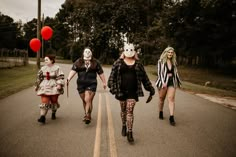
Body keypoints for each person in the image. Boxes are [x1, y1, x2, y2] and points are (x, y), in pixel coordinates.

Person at [108, 43, 155, 143]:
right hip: (121, 92)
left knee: (130, 111)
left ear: (134, 52)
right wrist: (114, 89)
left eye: (131, 50)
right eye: (127, 50)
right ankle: (124, 125)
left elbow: (145, 78)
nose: (129, 52)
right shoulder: (118, 63)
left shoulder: (138, 64)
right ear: (124, 52)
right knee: (123, 110)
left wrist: (151, 89)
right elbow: (111, 78)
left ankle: (130, 132)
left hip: (133, 92)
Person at [66, 47, 107, 124]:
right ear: (83, 53)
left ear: (91, 53)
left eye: (89, 52)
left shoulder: (95, 62)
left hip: (92, 83)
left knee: (87, 99)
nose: (87, 54)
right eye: (86, 52)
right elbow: (73, 71)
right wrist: (68, 79)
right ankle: (88, 114)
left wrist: (104, 82)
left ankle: (87, 115)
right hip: (81, 84)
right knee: (84, 100)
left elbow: (100, 73)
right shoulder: (79, 62)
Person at [35, 55, 65, 124]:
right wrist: (37, 85)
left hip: (54, 85)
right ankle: (42, 117)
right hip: (44, 86)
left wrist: (59, 84)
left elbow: (60, 77)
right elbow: (39, 78)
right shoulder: (43, 68)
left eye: (47, 60)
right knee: (44, 102)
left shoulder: (57, 68)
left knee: (54, 101)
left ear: (51, 60)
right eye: (44, 60)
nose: (45, 61)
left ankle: (53, 112)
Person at [155, 46, 181, 126]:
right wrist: (163, 82)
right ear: (166, 53)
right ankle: (160, 111)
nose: (170, 54)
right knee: (161, 98)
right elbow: (159, 73)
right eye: (169, 52)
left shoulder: (174, 62)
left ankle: (171, 117)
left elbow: (176, 73)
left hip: (171, 82)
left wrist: (178, 82)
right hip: (163, 82)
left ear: (173, 54)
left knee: (171, 99)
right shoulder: (160, 61)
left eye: (171, 53)